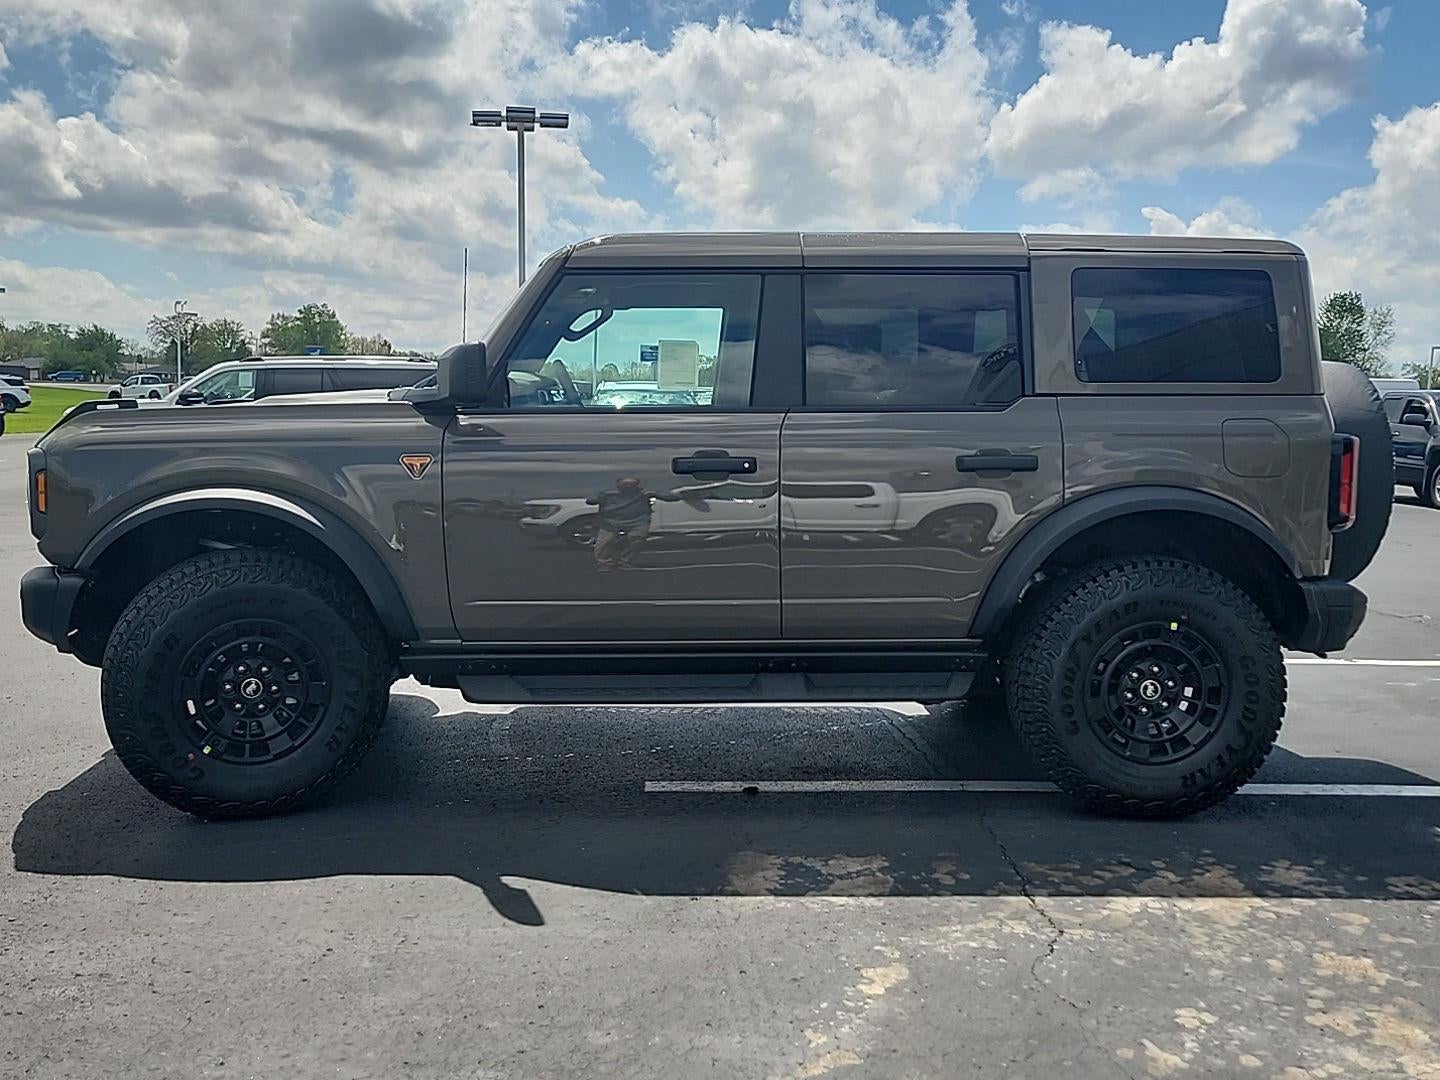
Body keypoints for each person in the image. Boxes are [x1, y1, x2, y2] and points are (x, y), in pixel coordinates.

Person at [586, 477, 677, 570]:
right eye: (625, 485)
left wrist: (655, 493)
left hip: (638, 520)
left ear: (637, 485)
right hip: (611, 521)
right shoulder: (607, 494)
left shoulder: (644, 494)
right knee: (605, 541)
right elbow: (590, 501)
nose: (628, 487)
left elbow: (673, 498)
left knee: (638, 538)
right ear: (618, 485)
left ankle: (624, 561)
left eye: (632, 485)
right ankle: (604, 563)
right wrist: (598, 497)